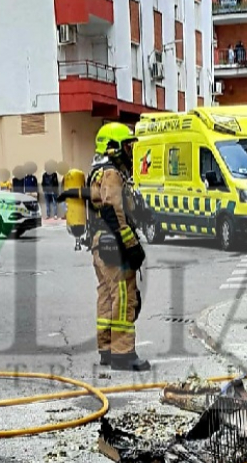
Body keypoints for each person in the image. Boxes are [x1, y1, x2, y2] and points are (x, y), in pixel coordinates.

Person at [88, 123, 150, 371]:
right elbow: (114, 211)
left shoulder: (97, 171)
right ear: (113, 148)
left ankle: (106, 349)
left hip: (99, 244)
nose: (130, 150)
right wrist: (132, 246)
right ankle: (123, 354)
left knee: (106, 296)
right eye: (127, 145)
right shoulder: (111, 173)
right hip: (113, 244)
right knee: (123, 297)